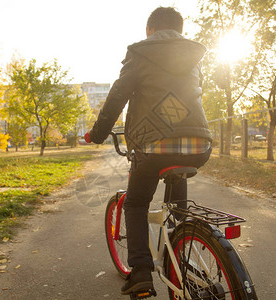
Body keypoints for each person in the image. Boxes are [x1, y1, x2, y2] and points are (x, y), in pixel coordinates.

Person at [85, 6, 212, 296]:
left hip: (153, 144)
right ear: (180, 30)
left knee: (136, 203)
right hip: (199, 144)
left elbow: (118, 95)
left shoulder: (141, 52)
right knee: (176, 203)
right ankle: (178, 248)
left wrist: (98, 133)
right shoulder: (194, 58)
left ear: (149, 30)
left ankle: (141, 272)